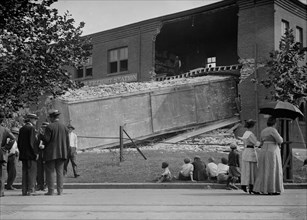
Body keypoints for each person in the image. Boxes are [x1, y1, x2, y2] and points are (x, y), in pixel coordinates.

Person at [41, 109, 69, 196]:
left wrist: (41, 136)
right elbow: (67, 141)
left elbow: (46, 140)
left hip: (51, 153)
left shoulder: (50, 127)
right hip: (62, 153)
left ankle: (51, 191)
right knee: (60, 172)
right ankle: (60, 191)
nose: (49, 119)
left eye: (50, 117)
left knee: (50, 172)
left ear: (52, 117)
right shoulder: (64, 127)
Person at [253, 116, 284, 195]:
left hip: (264, 150)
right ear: (274, 123)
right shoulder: (273, 130)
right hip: (272, 150)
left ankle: (259, 188)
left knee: (263, 169)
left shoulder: (263, 130)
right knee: (272, 168)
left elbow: (261, 141)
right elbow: (280, 140)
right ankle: (272, 189)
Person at [18, 113, 39, 196]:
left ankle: (24, 190)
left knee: (25, 172)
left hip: (23, 155)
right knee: (32, 172)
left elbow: (19, 142)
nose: (36, 121)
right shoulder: (31, 129)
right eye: (35, 119)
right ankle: (31, 189)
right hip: (30, 155)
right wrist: (35, 153)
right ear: (30, 119)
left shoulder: (22, 129)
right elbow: (32, 143)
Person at [239, 119, 261, 194]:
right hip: (250, 152)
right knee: (252, 170)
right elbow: (256, 143)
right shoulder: (250, 134)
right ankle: (251, 186)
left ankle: (245, 184)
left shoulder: (245, 133)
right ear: (252, 126)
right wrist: (262, 143)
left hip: (246, 151)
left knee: (246, 170)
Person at [0, 112, 15, 197]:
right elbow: (13, 138)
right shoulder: (5, 129)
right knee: (2, 174)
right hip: (1, 154)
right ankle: (1, 192)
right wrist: (6, 147)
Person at [36, 122, 49, 191]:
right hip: (40, 154)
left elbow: (51, 145)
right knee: (39, 171)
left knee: (47, 171)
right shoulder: (39, 135)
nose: (44, 129)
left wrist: (44, 146)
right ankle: (39, 184)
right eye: (43, 127)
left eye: (45, 128)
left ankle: (46, 184)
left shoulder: (49, 135)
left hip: (46, 154)